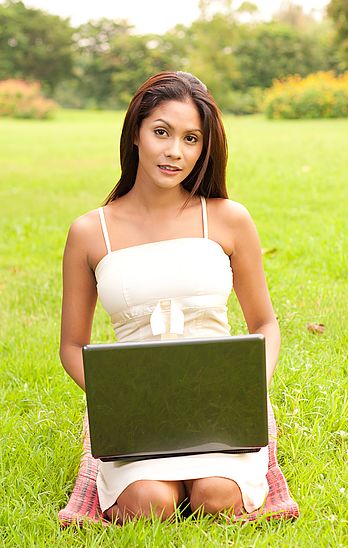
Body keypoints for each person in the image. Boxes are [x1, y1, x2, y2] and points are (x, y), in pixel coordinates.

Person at [59, 71, 281, 524]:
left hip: (218, 405)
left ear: (204, 148)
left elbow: (264, 324)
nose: (175, 151)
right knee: (148, 504)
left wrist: (247, 390)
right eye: (161, 132)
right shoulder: (89, 231)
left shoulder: (228, 219)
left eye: (191, 138)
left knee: (216, 497)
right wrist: (120, 400)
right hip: (136, 412)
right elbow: (71, 345)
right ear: (136, 133)